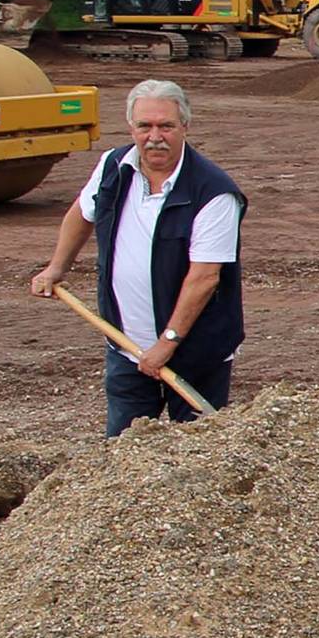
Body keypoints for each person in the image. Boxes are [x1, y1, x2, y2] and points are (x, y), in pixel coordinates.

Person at [30, 79, 245, 436]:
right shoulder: (113, 167)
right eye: (145, 126)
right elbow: (82, 214)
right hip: (126, 346)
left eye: (166, 126)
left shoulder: (214, 193)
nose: (154, 137)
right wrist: (57, 268)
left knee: (196, 451)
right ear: (131, 127)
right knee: (121, 448)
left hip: (196, 354)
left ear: (185, 126)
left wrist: (167, 343)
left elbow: (204, 278)